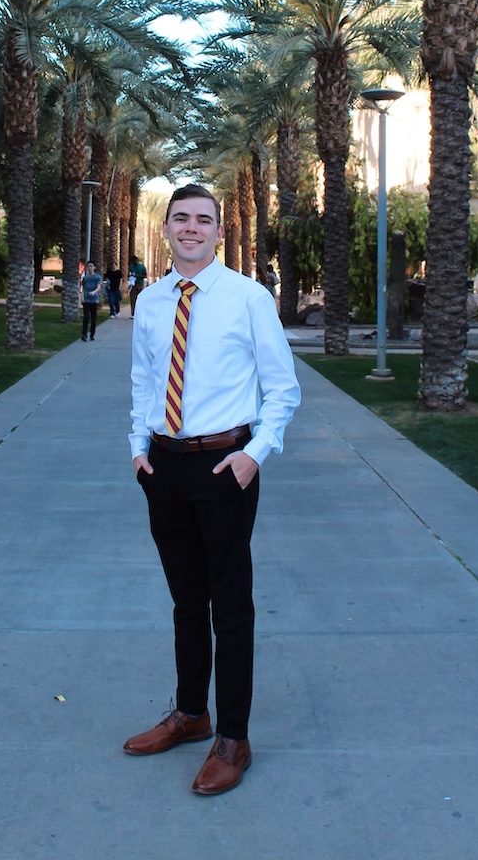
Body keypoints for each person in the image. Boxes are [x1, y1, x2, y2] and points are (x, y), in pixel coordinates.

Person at [125, 183, 301, 795]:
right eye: (181, 219)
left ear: (219, 232)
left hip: (225, 466)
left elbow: (283, 389)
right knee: (184, 601)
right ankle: (191, 714)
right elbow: (145, 383)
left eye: (203, 220)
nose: (191, 228)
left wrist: (254, 455)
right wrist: (138, 449)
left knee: (229, 606)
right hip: (164, 468)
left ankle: (234, 738)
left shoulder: (249, 299)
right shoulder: (150, 302)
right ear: (168, 228)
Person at [80, 261, 103, 341]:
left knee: (93, 318)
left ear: (94, 267)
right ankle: (84, 334)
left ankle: (92, 334)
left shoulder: (97, 277)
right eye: (88, 266)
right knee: (86, 317)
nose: (89, 268)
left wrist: (94, 292)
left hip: (94, 300)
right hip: (86, 300)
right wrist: (82, 297)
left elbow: (99, 287)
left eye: (91, 266)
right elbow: (82, 288)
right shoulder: (85, 278)